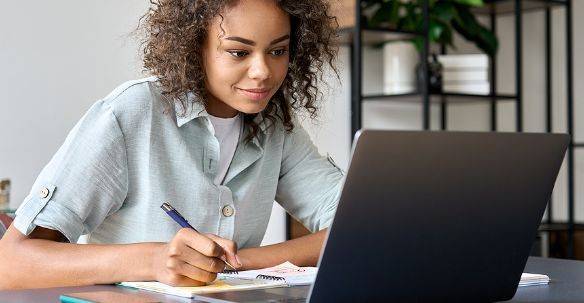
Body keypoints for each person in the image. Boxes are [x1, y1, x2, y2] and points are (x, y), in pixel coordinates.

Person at [0, 0, 343, 289]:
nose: (262, 72)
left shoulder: (275, 127)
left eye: (277, 51)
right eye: (239, 52)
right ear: (196, 47)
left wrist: (237, 262)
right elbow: (11, 262)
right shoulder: (133, 113)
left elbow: (355, 227)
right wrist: (154, 259)